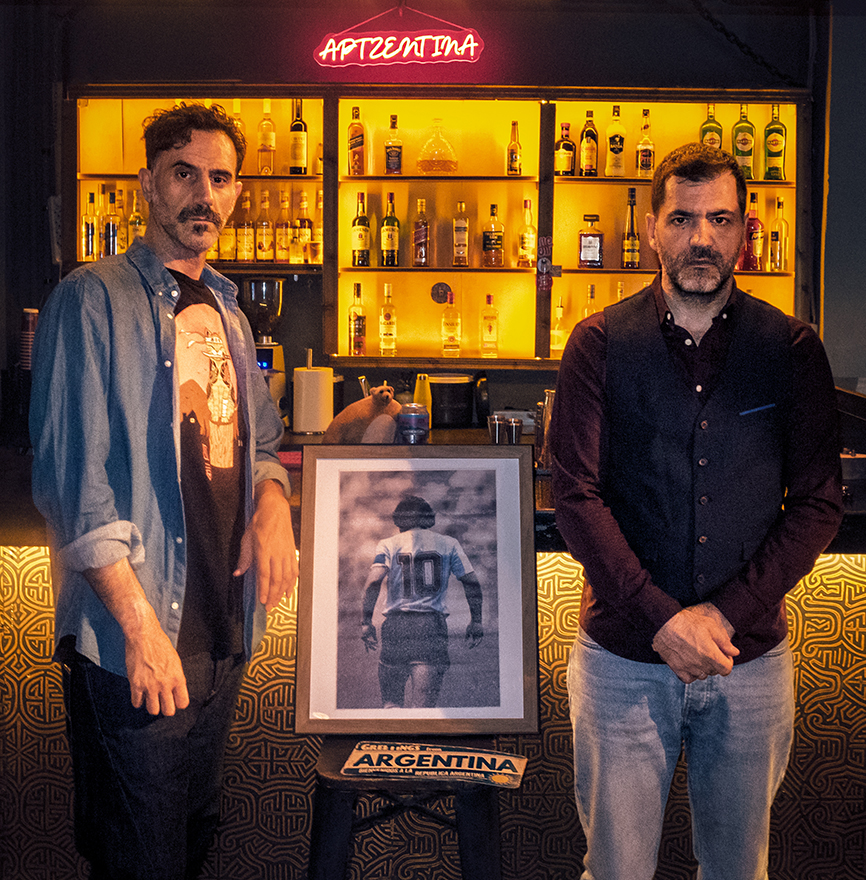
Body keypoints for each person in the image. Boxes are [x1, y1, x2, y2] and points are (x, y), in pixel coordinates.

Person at [548, 142, 843, 880]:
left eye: (720, 219)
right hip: (622, 661)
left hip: (750, 664)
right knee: (616, 871)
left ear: (744, 230)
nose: (701, 237)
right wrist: (662, 619)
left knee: (739, 871)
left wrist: (723, 615)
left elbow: (817, 502)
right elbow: (575, 496)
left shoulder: (791, 348)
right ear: (652, 229)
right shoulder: (598, 343)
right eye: (682, 219)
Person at [29, 102, 297, 880]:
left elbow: (264, 443)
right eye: (185, 174)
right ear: (147, 184)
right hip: (137, 647)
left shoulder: (229, 312)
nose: (203, 194)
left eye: (220, 178)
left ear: (237, 192)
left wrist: (273, 504)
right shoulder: (91, 299)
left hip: (219, 636)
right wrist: (141, 632)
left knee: (189, 843)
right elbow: (73, 489)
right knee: (140, 858)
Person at [360, 495, 484, 708]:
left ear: (399, 519)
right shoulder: (449, 544)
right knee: (423, 710)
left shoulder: (388, 544)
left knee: (391, 705)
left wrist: (365, 621)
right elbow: (471, 582)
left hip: (396, 626)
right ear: (428, 518)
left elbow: (373, 583)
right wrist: (477, 621)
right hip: (430, 626)